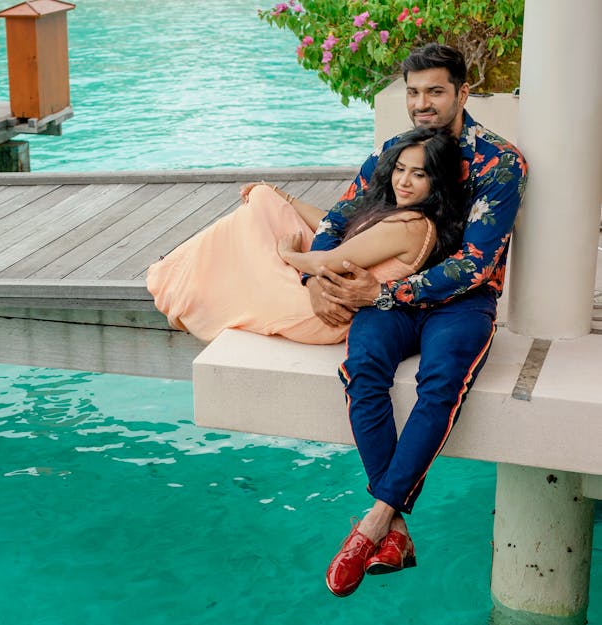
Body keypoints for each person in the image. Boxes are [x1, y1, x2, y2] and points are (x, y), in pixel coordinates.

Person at [315, 43, 527, 598]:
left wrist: (382, 291)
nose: (422, 104)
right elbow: (338, 219)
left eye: (435, 91)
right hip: (384, 299)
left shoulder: (498, 162)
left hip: (461, 303)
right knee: (362, 367)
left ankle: (372, 524)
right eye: (413, 92)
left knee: (441, 382)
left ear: (463, 91)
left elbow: (476, 263)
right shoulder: (396, 152)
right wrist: (315, 280)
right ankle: (395, 528)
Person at [146, 126, 467, 345]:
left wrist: (289, 256)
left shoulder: (410, 225)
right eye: (400, 169)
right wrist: (282, 196)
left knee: (250, 226)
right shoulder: (407, 217)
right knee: (264, 201)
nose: (404, 181)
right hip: (325, 292)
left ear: (436, 182)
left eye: (418, 174)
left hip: (321, 311)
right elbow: (337, 227)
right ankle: (178, 275)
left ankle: (174, 280)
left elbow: (327, 260)